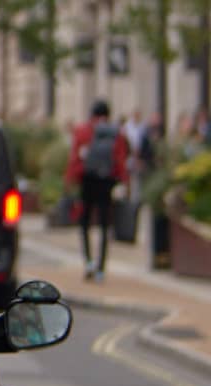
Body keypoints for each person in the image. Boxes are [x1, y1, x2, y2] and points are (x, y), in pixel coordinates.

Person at [66, 99, 129, 281]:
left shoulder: (82, 131)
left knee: (84, 223)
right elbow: (120, 159)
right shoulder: (115, 133)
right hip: (106, 182)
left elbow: (74, 159)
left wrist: (70, 181)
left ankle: (88, 261)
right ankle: (101, 266)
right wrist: (123, 180)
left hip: (87, 181)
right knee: (104, 225)